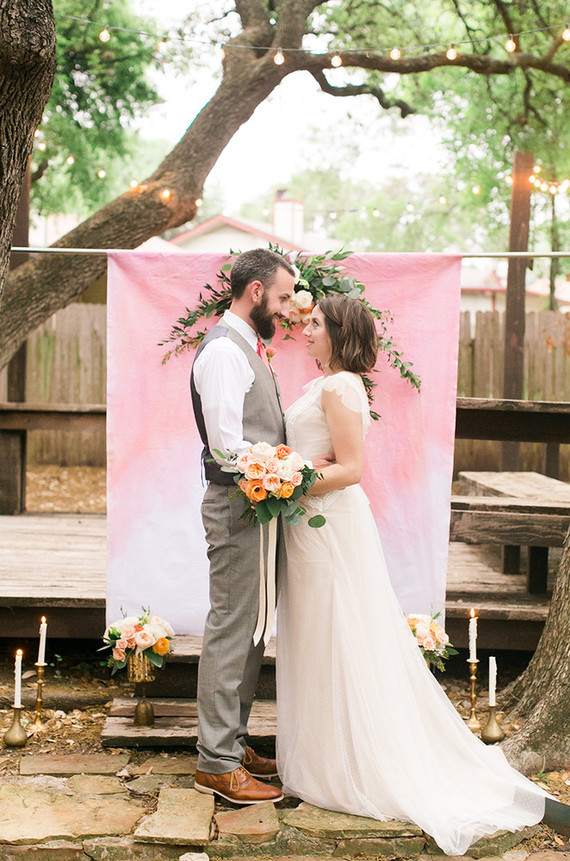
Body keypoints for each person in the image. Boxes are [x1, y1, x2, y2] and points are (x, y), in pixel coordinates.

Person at [276, 294, 549, 856]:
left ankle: (353, 762)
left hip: (328, 529)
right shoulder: (321, 385)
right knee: (314, 636)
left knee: (340, 635)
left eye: (317, 324)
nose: (306, 328)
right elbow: (321, 454)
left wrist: (282, 481)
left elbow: (349, 469)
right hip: (306, 527)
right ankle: (325, 752)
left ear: (340, 332)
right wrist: (286, 468)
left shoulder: (341, 386)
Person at [190, 248, 294, 805]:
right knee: (234, 626)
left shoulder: (246, 346)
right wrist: (286, 472)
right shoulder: (226, 353)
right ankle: (217, 763)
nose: (283, 309)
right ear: (255, 292)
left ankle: (233, 742)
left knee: (254, 627)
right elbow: (229, 447)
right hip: (238, 505)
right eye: (279, 297)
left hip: (257, 504)